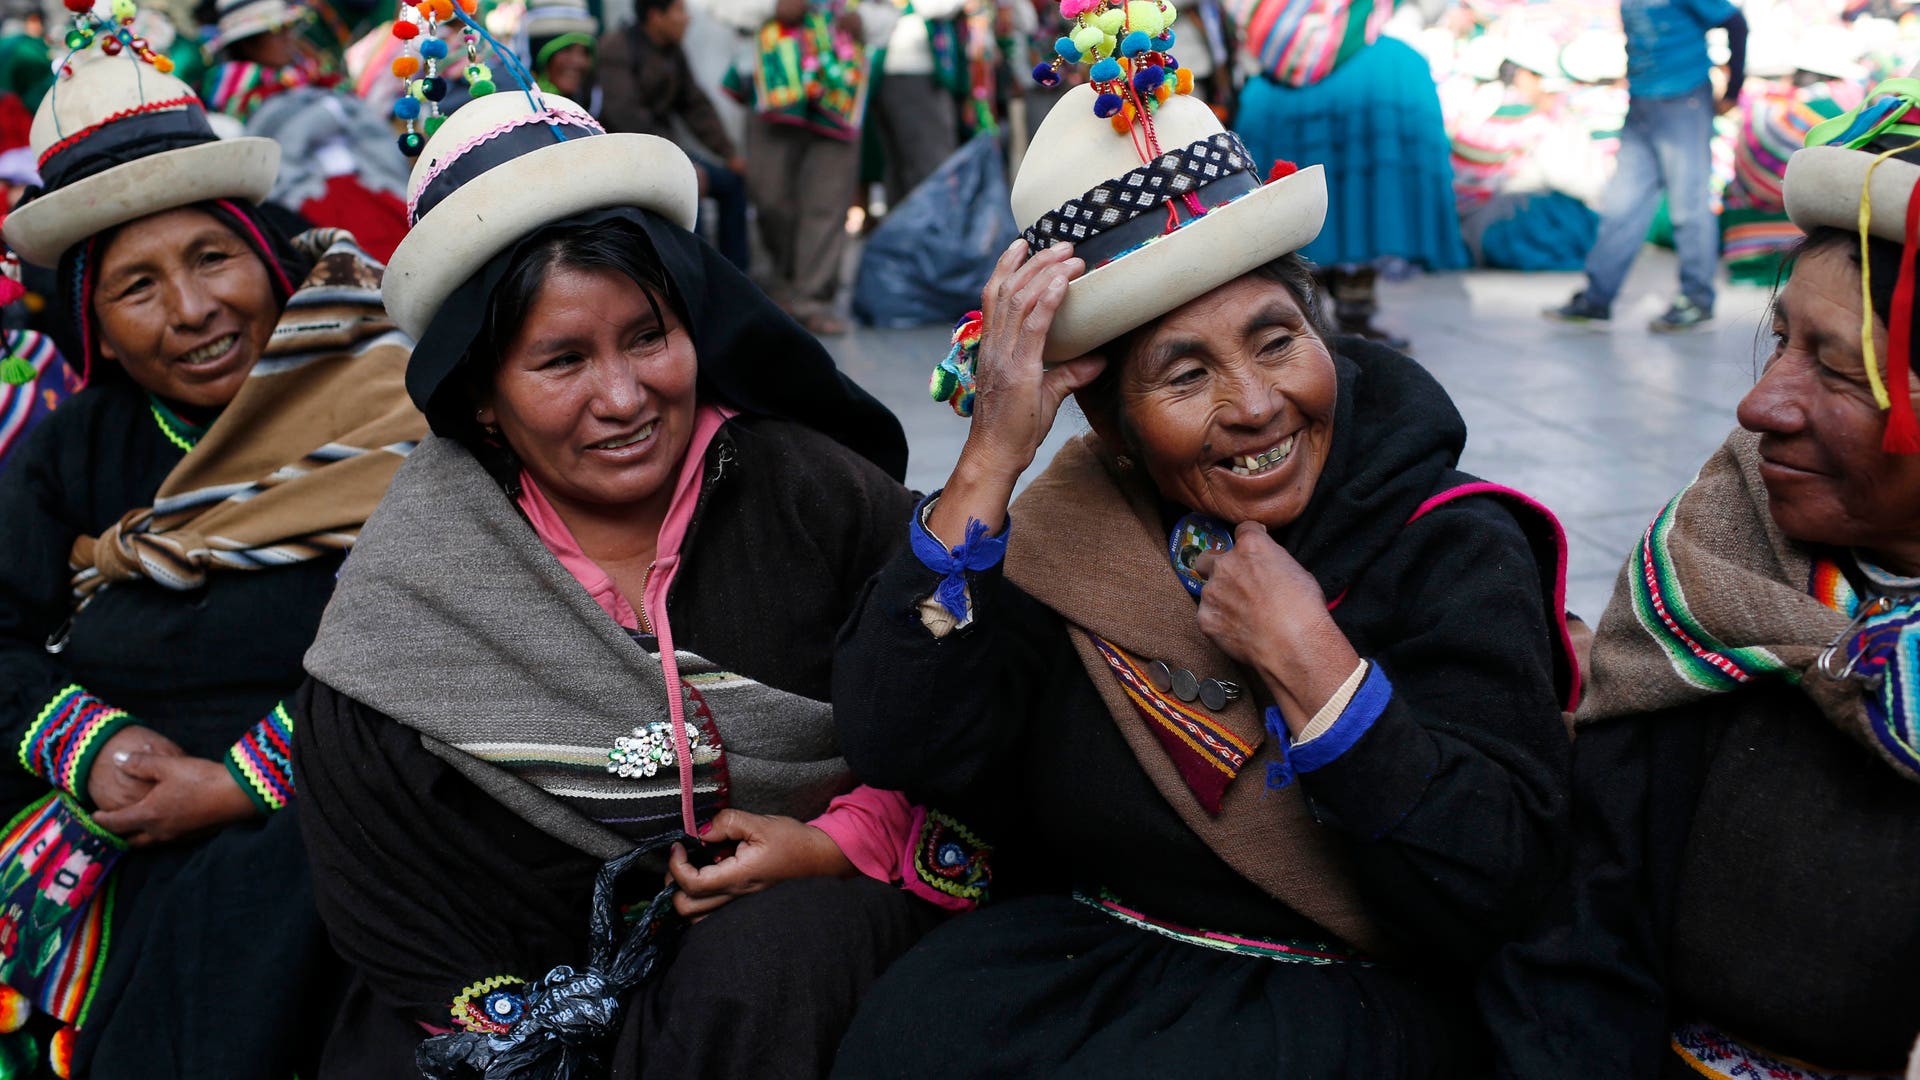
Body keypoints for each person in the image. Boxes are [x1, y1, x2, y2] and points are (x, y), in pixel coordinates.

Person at [830, 76, 1577, 1076]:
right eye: (1185, 377)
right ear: (1112, 427)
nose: (1257, 404)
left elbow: (1503, 881)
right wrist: (989, 463)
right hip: (1086, 971)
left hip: (1347, 1006)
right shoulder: (1067, 534)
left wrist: (1319, 670)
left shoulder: (1448, 541)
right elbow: (900, 736)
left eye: (1278, 341)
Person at [296, 87, 979, 1078]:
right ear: (484, 399)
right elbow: (377, 862)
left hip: (777, 999)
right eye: (561, 360)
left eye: (649, 337)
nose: (623, 397)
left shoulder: (809, 494)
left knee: (794, 946)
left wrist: (836, 844)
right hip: (506, 1010)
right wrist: (523, 1026)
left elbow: (956, 708)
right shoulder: (419, 576)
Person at [0, 41, 422, 1080]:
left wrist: (240, 783)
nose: (192, 312)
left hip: (344, 793)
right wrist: (87, 746)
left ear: (267, 257)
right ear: (91, 323)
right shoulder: (78, 449)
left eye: (210, 259)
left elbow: (452, 628)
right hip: (122, 801)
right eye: (136, 286)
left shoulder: (395, 397)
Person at [1484, 76, 1920, 1077]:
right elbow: (1574, 942)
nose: (1763, 404)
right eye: (1780, 343)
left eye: (1840, 372)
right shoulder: (1711, 568)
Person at [1231, 0, 1470, 350]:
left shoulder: (1266, 80)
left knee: (1286, 195)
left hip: (1275, 85)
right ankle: (1354, 308)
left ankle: (1304, 309)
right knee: (1364, 197)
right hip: (1372, 72)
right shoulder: (1398, 66)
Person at [1545, 0, 1747, 332]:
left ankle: (1696, 299)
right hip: (1641, 105)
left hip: (1683, 100)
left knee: (1688, 207)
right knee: (1621, 206)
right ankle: (1597, 298)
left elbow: (1736, 23)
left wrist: (1733, 90)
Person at [714, 0, 895, 335]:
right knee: (770, 198)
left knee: (827, 204)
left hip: (840, 91)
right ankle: (781, 288)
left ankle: (813, 300)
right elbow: (724, 7)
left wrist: (864, 20)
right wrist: (773, 7)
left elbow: (891, 12)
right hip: (775, 87)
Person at [597, 0, 753, 270]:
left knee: (731, 183)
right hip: (625, 158)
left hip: (666, 152)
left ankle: (736, 275)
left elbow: (695, 106)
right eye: (680, 11)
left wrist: (729, 154)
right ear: (656, 16)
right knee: (689, 188)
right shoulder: (617, 47)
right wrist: (679, 163)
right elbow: (627, 117)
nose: (687, 18)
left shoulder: (672, 51)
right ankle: (696, 285)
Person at [203, 0, 329, 120]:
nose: (288, 36)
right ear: (248, 43)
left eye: (288, 27)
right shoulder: (239, 89)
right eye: (277, 30)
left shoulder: (301, 73)